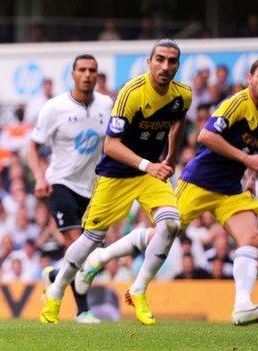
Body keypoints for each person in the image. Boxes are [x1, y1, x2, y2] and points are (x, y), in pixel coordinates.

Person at [76, 57, 258, 326]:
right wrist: (246, 162)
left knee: (252, 238)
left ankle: (242, 305)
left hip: (231, 189)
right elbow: (206, 136)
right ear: (249, 78)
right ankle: (101, 257)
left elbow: (248, 148)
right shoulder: (236, 103)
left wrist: (250, 174)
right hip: (200, 182)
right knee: (162, 233)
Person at [40, 39, 191, 324]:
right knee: (89, 241)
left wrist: (170, 158)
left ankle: (139, 289)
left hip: (150, 174)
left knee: (171, 223)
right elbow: (110, 146)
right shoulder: (131, 94)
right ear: (149, 62)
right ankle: (56, 290)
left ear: (177, 66)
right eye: (160, 59)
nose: (165, 66)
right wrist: (151, 164)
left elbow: (179, 121)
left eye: (172, 61)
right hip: (116, 174)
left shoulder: (183, 95)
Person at [27, 54, 113, 323]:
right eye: (82, 70)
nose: (88, 75)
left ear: (97, 76)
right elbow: (32, 146)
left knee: (89, 252)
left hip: (94, 188)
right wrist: (40, 178)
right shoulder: (55, 108)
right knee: (78, 246)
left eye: (93, 71)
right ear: (73, 74)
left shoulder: (107, 104)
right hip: (61, 184)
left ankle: (54, 276)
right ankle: (83, 310)